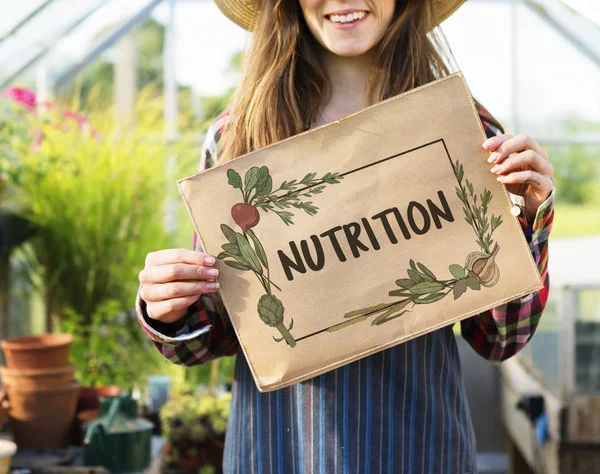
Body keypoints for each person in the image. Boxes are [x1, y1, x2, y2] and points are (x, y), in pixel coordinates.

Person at [136, 0, 554, 472]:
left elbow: (498, 339)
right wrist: (169, 305)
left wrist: (529, 218)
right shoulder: (239, 137)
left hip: (417, 449)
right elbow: (216, 335)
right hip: (282, 451)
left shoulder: (463, 131)